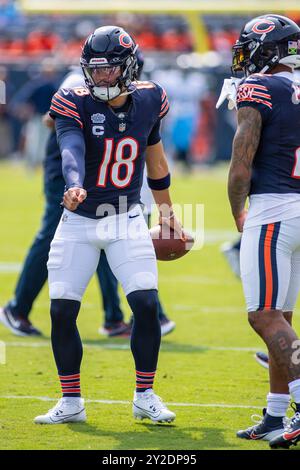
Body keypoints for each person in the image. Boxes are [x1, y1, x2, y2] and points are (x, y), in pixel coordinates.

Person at [34, 26, 182, 425]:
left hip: (126, 218)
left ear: (128, 67)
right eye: (95, 69)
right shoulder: (71, 100)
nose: (101, 76)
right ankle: (70, 402)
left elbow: (156, 160)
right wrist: (75, 184)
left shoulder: (151, 99)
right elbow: (71, 148)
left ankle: (145, 394)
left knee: (146, 305)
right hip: (79, 221)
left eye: (109, 69)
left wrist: (167, 212)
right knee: (62, 310)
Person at [0, 60, 175, 339]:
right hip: (68, 171)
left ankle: (119, 315)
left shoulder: (142, 93)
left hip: (104, 176)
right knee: (53, 236)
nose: (107, 77)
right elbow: (52, 120)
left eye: (115, 70)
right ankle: (18, 307)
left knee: (111, 233)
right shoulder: (75, 86)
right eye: (102, 70)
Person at [227, 14, 300, 448]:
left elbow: (241, 163)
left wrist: (239, 210)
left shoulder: (257, 87)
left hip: (274, 208)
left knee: (264, 315)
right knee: (282, 316)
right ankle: (275, 416)